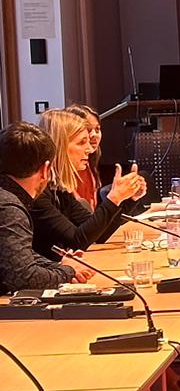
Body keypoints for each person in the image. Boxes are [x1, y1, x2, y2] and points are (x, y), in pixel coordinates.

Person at [32, 109, 145, 257]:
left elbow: (99, 234)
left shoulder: (59, 189)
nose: (89, 149)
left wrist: (128, 198)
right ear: (59, 146)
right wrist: (114, 198)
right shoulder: (37, 194)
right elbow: (77, 241)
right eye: (81, 142)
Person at [0, 122, 93, 292]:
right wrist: (68, 272)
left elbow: (17, 257)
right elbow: (24, 278)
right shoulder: (9, 208)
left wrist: (59, 265)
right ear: (45, 169)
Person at [65, 103, 103, 205]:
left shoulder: (89, 161)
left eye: (97, 129)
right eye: (88, 129)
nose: (94, 134)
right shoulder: (71, 167)